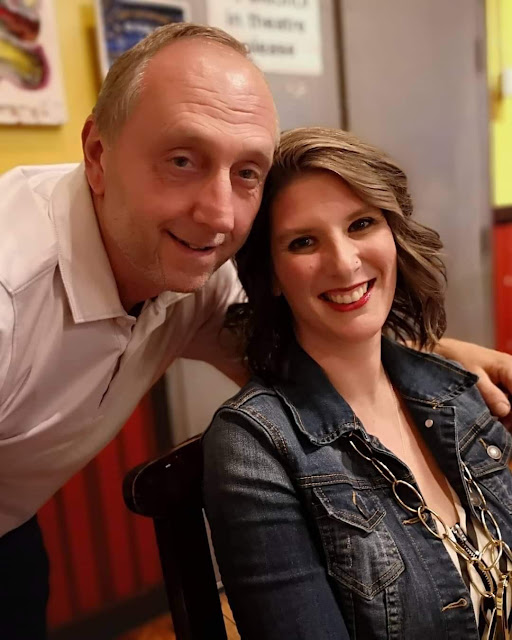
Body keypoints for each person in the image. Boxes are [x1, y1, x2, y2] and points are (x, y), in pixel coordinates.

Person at [0, 21, 510, 639]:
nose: (219, 215)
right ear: (97, 155)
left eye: (247, 172)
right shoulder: (12, 290)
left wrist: (439, 358)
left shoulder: (198, 266)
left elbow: (323, 328)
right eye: (182, 160)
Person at [203, 127, 512, 640]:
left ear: (393, 233)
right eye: (303, 242)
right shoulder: (253, 447)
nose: (344, 263)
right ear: (271, 274)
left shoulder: (453, 389)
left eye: (361, 224)